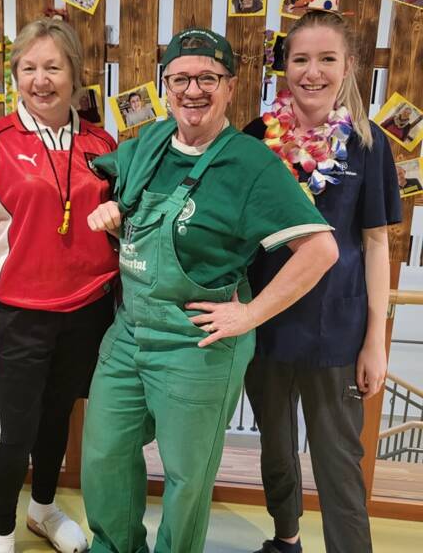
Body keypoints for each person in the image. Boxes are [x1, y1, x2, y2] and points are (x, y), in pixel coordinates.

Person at [81, 27, 339, 553]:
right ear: (166, 86)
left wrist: (250, 315)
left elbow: (321, 250)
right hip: (129, 333)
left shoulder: (251, 164)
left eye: (207, 78)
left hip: (196, 344)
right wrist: (108, 208)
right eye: (180, 79)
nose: (192, 90)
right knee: (105, 456)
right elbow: (109, 188)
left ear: (230, 86)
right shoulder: (149, 143)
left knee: (186, 476)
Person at [0, 17, 119, 553]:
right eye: (29, 68)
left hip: (86, 311)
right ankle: (1, 534)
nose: (41, 80)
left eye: (54, 67)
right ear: (15, 75)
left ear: (75, 75)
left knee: (57, 418)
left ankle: (42, 510)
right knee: (12, 434)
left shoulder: (100, 142)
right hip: (17, 314)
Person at [243, 10, 402, 553]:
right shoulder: (255, 139)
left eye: (327, 59)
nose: (312, 72)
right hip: (265, 326)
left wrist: (375, 339)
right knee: (276, 450)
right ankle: (285, 539)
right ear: (284, 67)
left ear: (349, 66)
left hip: (337, 331)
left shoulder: (369, 145)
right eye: (300, 59)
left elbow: (376, 244)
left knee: (338, 461)